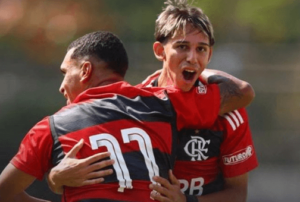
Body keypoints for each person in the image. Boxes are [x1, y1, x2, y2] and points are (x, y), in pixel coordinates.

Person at [47, 0, 258, 202]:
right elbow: (101, 173)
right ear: (160, 51)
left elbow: (237, 194)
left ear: (209, 55)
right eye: (182, 46)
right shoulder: (134, 104)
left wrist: (187, 201)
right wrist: (56, 179)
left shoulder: (229, 111)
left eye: (201, 49)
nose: (192, 57)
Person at [0, 30, 251, 202]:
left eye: (65, 72)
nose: (61, 85)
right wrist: (199, 66)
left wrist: (55, 180)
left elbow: (4, 192)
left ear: (86, 70)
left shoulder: (52, 127)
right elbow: (241, 92)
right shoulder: (165, 103)